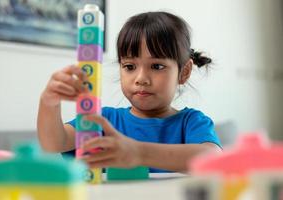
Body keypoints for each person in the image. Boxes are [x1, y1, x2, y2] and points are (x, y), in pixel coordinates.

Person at [37, 11, 222, 173]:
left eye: (157, 66)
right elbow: (53, 143)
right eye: (130, 66)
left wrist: (138, 153)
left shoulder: (191, 122)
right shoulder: (103, 120)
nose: (141, 78)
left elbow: (212, 158)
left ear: (184, 72)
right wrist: (49, 102)